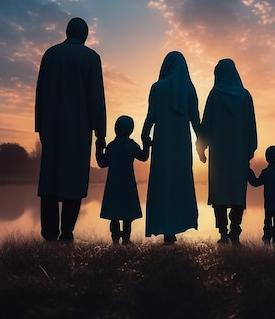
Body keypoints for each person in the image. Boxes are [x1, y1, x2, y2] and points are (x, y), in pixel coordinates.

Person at [34, 17, 106, 242]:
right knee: (73, 181)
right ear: (84, 35)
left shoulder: (50, 54)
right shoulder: (91, 58)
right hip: (78, 130)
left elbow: (40, 93)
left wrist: (40, 126)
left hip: (51, 128)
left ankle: (49, 235)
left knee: (51, 180)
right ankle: (67, 233)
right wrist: (100, 133)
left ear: (67, 32)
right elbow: (96, 97)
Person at [141, 51, 201, 243]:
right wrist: (202, 144)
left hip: (162, 144)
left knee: (163, 183)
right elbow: (195, 120)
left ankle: (166, 228)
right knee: (178, 183)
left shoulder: (157, 87)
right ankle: (174, 228)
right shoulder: (189, 89)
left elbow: (150, 116)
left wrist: (144, 136)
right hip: (182, 146)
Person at [196, 58, 257, 245]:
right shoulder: (246, 97)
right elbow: (251, 127)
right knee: (237, 193)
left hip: (219, 156)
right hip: (238, 154)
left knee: (220, 192)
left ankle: (223, 233)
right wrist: (249, 150)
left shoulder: (214, 95)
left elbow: (206, 123)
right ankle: (235, 231)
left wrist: (201, 148)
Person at [96, 115, 150, 245]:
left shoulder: (112, 146)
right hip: (128, 183)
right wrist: (146, 144)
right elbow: (143, 157)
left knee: (114, 216)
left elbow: (102, 163)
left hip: (113, 184)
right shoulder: (131, 145)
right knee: (127, 215)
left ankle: (115, 240)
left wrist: (98, 148)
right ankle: (126, 238)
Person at [248, 145, 275, 245]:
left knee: (268, 221)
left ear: (267, 158)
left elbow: (255, 183)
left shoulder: (266, 172)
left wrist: (248, 171)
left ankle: (266, 238)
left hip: (269, 203)